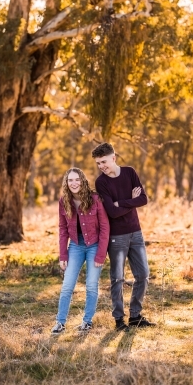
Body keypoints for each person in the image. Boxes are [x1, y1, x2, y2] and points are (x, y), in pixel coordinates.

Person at [92, 142, 155, 332]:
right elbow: (111, 211)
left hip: (136, 232)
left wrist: (122, 202)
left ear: (113, 157)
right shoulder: (101, 182)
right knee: (117, 278)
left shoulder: (129, 172)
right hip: (116, 237)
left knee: (143, 275)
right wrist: (131, 201)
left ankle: (135, 316)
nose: (101, 166)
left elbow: (143, 199)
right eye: (98, 163)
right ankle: (119, 320)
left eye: (103, 161)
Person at [51, 167, 109, 334]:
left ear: (83, 180)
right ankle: (60, 323)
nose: (74, 183)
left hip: (94, 246)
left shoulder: (95, 199)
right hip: (75, 246)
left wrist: (100, 254)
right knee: (67, 286)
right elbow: (63, 229)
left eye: (77, 179)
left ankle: (87, 322)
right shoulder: (64, 201)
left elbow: (105, 227)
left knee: (91, 285)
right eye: (70, 180)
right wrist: (63, 254)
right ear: (66, 183)